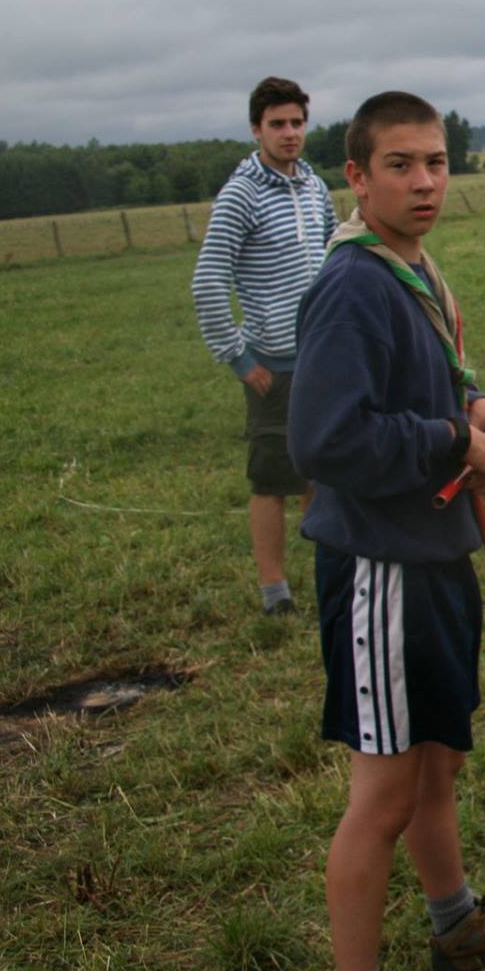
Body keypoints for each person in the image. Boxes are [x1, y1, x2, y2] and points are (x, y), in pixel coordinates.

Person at [291, 92, 485, 971]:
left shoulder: (410, 267)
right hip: (382, 566)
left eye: (437, 162)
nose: (424, 182)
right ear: (357, 176)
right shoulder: (352, 282)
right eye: (401, 165)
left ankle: (455, 930)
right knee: (385, 789)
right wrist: (452, 441)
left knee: (438, 762)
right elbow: (327, 440)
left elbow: (429, 374)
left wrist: (477, 404)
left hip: (436, 551)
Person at [191, 76, 339, 614]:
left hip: (322, 356)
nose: (289, 133)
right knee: (272, 478)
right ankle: (274, 591)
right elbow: (208, 280)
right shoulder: (241, 194)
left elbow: (333, 257)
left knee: (322, 469)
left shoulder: (314, 187)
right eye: (277, 124)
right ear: (257, 129)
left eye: (297, 122)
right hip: (271, 366)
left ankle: (333, 572)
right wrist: (239, 358)